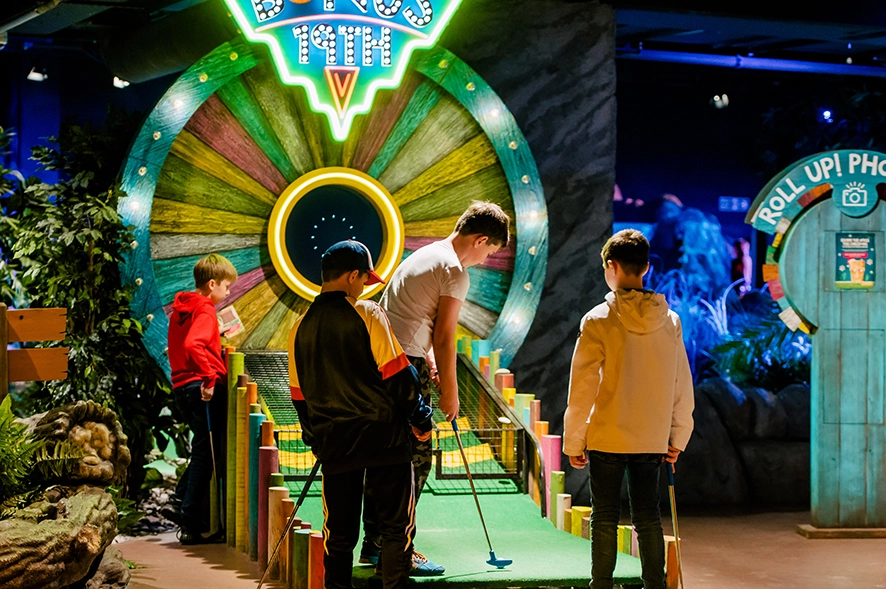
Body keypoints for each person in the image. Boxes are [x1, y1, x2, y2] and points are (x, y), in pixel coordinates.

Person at [359, 201, 510, 575]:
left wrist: (427, 358)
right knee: (416, 461)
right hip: (405, 370)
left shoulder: (423, 255)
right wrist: (451, 392)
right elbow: (445, 337)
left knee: (384, 458)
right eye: (490, 252)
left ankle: (375, 544)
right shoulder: (455, 271)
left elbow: (410, 318)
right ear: (480, 239)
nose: (485, 259)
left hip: (384, 362)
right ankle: (401, 549)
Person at [288, 240, 433, 589]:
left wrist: (317, 440)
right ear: (353, 275)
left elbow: (300, 397)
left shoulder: (299, 328)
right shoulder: (368, 313)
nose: (365, 286)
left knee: (338, 533)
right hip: (384, 438)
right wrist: (421, 419)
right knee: (396, 527)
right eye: (364, 279)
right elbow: (398, 375)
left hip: (335, 443)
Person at [563, 229, 694, 589]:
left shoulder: (597, 320)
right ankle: (655, 584)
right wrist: (679, 435)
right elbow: (682, 383)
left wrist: (574, 441)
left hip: (607, 435)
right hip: (652, 438)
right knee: (648, 518)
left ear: (611, 266)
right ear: (646, 268)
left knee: (604, 517)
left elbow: (583, 388)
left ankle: (601, 585)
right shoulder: (671, 321)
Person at [167, 253, 238, 544]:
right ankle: (189, 519)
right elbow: (193, 343)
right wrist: (209, 377)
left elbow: (188, 341)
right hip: (201, 386)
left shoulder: (186, 307)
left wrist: (215, 334)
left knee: (201, 450)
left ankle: (180, 502)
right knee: (206, 454)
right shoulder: (206, 309)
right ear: (212, 284)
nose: (229, 291)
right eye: (227, 286)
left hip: (182, 385)